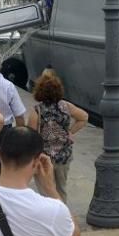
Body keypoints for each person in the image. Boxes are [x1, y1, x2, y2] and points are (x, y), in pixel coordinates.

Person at [27, 73, 88, 203]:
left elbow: (31, 136)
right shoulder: (66, 106)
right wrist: (70, 132)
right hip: (64, 155)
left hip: (44, 156)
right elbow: (84, 117)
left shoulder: (37, 111)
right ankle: (62, 215)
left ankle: (49, 217)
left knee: (45, 191)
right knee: (61, 189)